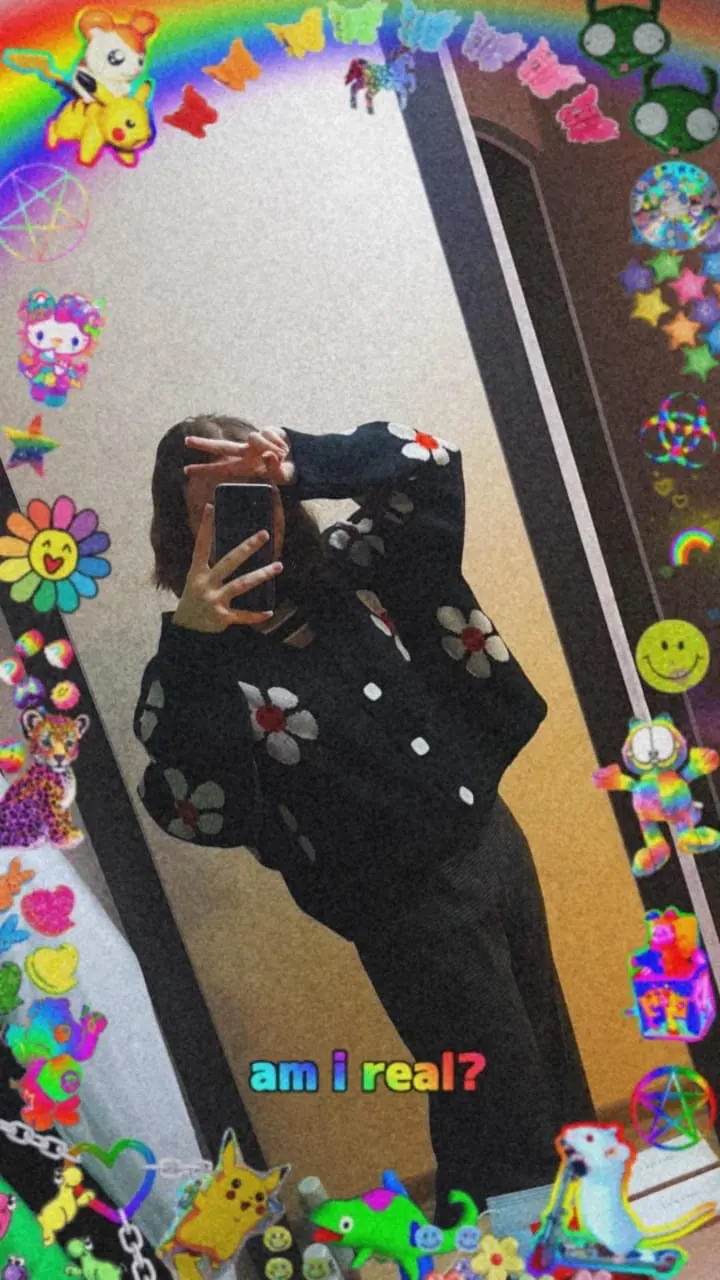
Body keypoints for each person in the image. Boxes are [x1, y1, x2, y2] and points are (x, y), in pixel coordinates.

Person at [135, 413, 595, 1219]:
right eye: (211, 509)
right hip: (404, 906)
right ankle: (533, 1240)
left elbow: (431, 462)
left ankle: (508, 1231)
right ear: (180, 530)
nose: (241, 522)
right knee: (501, 1089)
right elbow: (188, 793)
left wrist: (301, 460)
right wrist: (196, 642)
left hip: (491, 839)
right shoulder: (193, 669)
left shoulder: (354, 568)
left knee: (537, 1060)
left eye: (252, 495)